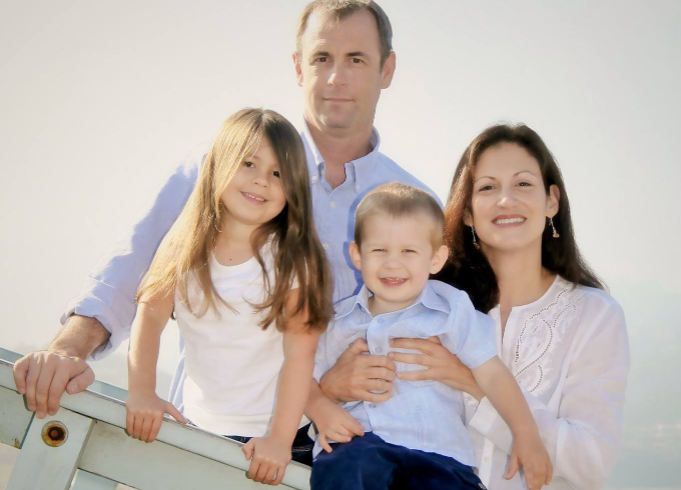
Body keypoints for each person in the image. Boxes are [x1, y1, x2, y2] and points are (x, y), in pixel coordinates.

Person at [13, 0, 428, 462]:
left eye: (356, 59)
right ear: (298, 66)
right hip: (212, 436)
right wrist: (71, 347)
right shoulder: (226, 163)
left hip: (342, 450)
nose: (336, 78)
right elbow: (140, 260)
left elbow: (438, 326)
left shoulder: (415, 203)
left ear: (387, 69)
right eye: (321, 58)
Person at [387, 124, 629, 489]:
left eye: (523, 184)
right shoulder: (428, 304)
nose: (506, 200)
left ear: (552, 200)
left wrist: (476, 385)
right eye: (487, 187)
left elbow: (590, 461)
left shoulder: (595, 315)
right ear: (467, 210)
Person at [122, 108, 333, 485]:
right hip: (200, 429)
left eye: (277, 173)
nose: (261, 181)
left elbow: (299, 357)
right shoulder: (183, 244)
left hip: (275, 441)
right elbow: (150, 316)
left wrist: (279, 441)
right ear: (219, 165)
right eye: (248, 163)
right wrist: (142, 393)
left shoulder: (291, 259)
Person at [308, 183, 552, 490]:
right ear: (357, 255)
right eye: (379, 249)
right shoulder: (337, 321)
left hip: (440, 451)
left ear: (435, 259)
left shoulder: (452, 310)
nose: (393, 263)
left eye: (409, 251)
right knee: (343, 470)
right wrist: (321, 409)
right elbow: (300, 378)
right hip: (360, 442)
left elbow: (492, 374)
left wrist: (526, 434)